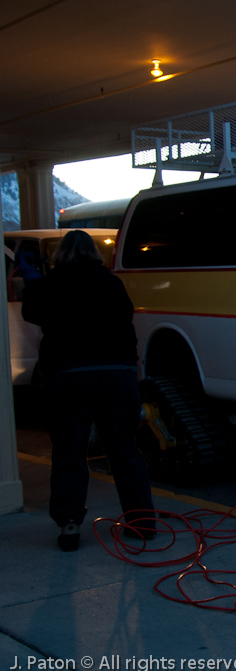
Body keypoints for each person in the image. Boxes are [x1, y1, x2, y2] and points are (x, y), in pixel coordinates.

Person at [21, 230, 154, 552]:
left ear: (59, 255)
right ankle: (141, 523)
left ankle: (69, 526)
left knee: (69, 452)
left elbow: (31, 313)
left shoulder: (50, 284)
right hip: (116, 375)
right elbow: (126, 322)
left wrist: (33, 280)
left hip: (67, 376)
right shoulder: (111, 283)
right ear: (94, 253)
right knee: (124, 450)